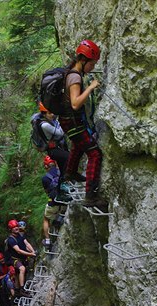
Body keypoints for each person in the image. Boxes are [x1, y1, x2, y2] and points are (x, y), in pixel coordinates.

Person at [57, 39, 107, 209]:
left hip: (69, 122)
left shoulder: (70, 72)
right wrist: (91, 87)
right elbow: (75, 103)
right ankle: (90, 196)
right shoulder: (74, 77)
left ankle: (70, 173)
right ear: (84, 61)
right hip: (73, 122)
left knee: (78, 146)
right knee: (94, 153)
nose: (93, 67)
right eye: (92, 64)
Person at [34, 102, 69, 177]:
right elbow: (60, 133)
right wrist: (61, 121)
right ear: (44, 114)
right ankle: (66, 182)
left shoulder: (45, 120)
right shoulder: (45, 125)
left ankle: (63, 184)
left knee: (63, 168)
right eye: (49, 113)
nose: (52, 114)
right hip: (54, 150)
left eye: (52, 112)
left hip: (56, 148)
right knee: (69, 157)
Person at [4, 219, 35, 294]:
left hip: (22, 258)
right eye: (14, 227)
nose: (16, 228)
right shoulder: (11, 240)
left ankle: (17, 290)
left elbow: (26, 244)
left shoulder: (20, 236)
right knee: (22, 269)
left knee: (18, 274)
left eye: (16, 226)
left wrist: (32, 251)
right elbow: (18, 251)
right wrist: (31, 254)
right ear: (11, 229)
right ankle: (21, 289)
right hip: (14, 259)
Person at [41, 156, 64, 249]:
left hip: (54, 202)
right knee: (62, 209)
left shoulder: (45, 178)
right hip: (66, 201)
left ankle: (47, 240)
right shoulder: (62, 171)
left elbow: (47, 192)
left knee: (46, 218)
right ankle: (60, 218)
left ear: (46, 166)